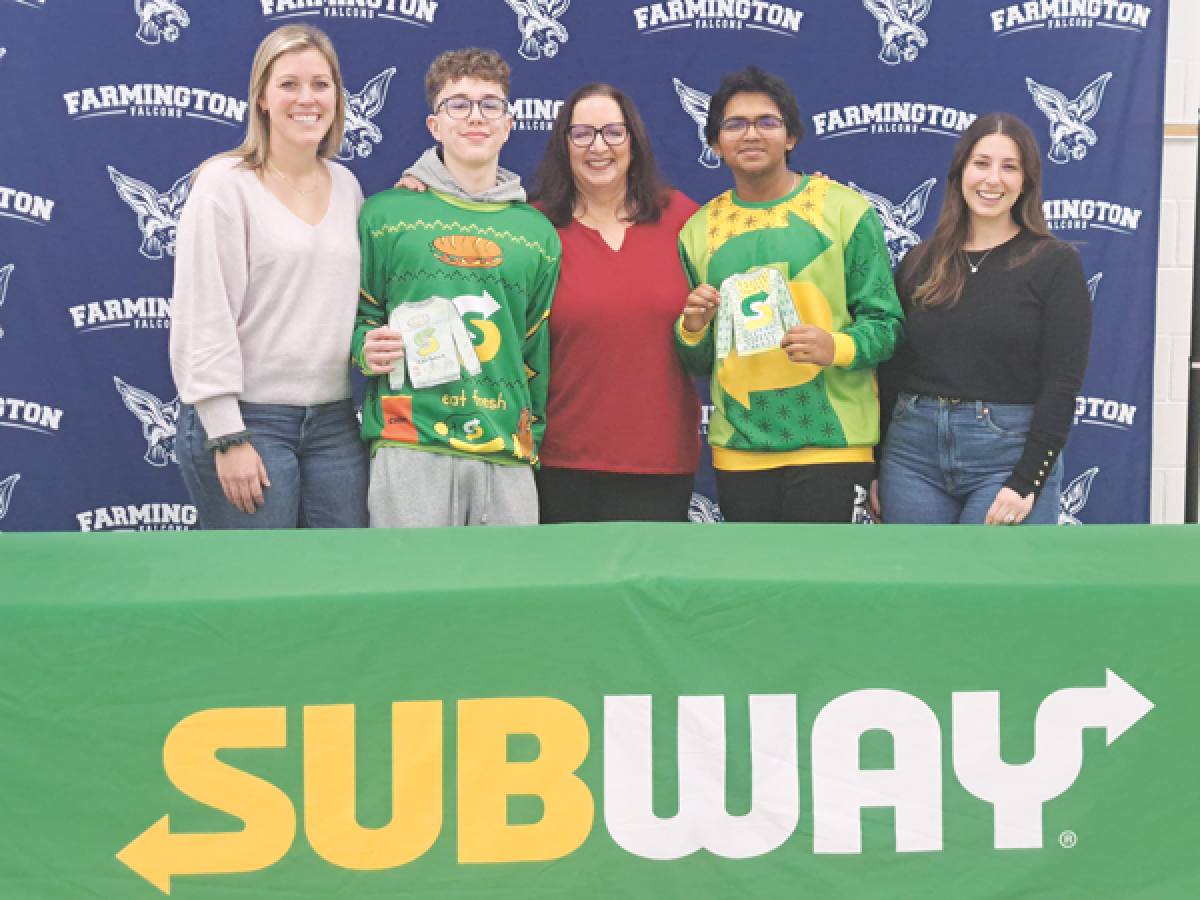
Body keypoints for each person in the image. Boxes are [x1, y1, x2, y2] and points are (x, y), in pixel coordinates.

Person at [674, 66, 904, 523]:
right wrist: (693, 328)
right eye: (735, 124)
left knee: (832, 592)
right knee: (755, 592)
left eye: (767, 121)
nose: (751, 134)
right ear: (716, 145)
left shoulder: (847, 211)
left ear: (792, 136)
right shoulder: (697, 232)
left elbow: (888, 326)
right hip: (740, 450)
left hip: (834, 445)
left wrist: (834, 346)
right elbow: (699, 363)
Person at [171, 25, 368, 529]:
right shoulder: (224, 185)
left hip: (334, 423)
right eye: (289, 84)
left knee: (337, 587)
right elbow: (203, 314)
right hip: (247, 420)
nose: (308, 99)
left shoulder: (348, 187)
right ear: (262, 97)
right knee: (258, 590)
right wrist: (227, 435)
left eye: (322, 84)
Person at [354, 48, 560, 527]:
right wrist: (364, 347)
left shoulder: (537, 233)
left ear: (508, 124)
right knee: (411, 596)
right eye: (458, 103)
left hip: (505, 447)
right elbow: (353, 318)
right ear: (434, 125)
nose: (475, 116)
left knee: (506, 600)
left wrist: (532, 436)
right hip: (410, 441)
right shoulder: (384, 214)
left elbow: (536, 350)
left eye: (490, 104)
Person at [873, 113, 1092, 525]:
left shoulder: (1055, 263)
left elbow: (1062, 382)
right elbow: (892, 370)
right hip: (910, 458)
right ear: (960, 173)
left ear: (1026, 180)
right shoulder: (921, 261)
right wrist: (877, 465)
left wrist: (1028, 480)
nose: (993, 179)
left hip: (1007, 457)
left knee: (998, 585)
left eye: (1009, 167)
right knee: (920, 588)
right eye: (981, 163)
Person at [530, 84, 702, 522]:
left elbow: (755, 242)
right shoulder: (533, 228)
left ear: (634, 141)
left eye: (612, 132)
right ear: (563, 145)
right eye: (582, 133)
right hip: (560, 463)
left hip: (660, 461)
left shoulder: (683, 218)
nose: (598, 146)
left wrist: (807, 197)